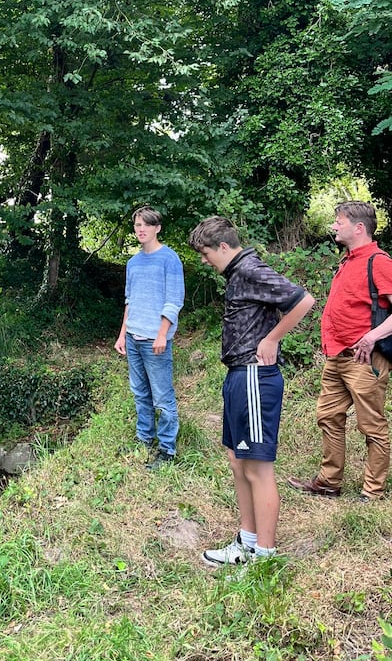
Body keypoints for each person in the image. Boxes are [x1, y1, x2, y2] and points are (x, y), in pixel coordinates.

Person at [188, 216, 315, 566]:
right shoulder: (237, 273)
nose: (204, 261)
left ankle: (265, 558)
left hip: (256, 378)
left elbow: (303, 301)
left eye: (205, 253)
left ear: (223, 246)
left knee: (258, 468)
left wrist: (272, 339)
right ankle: (246, 543)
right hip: (238, 376)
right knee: (237, 461)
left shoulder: (250, 269)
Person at [288, 201, 392, 502]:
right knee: (328, 417)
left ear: (359, 228)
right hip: (336, 357)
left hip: (365, 361)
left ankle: (372, 491)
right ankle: (329, 482)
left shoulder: (379, 262)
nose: (334, 226)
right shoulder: (348, 260)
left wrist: (371, 337)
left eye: (339, 221)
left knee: (371, 426)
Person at [114, 207, 184, 470]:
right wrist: (122, 334)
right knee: (139, 392)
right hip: (133, 337)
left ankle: (167, 450)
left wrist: (162, 334)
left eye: (146, 224)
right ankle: (144, 439)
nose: (141, 229)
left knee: (162, 397)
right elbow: (129, 301)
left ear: (157, 228)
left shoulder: (170, 259)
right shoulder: (133, 263)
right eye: (137, 225)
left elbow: (174, 300)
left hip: (155, 340)